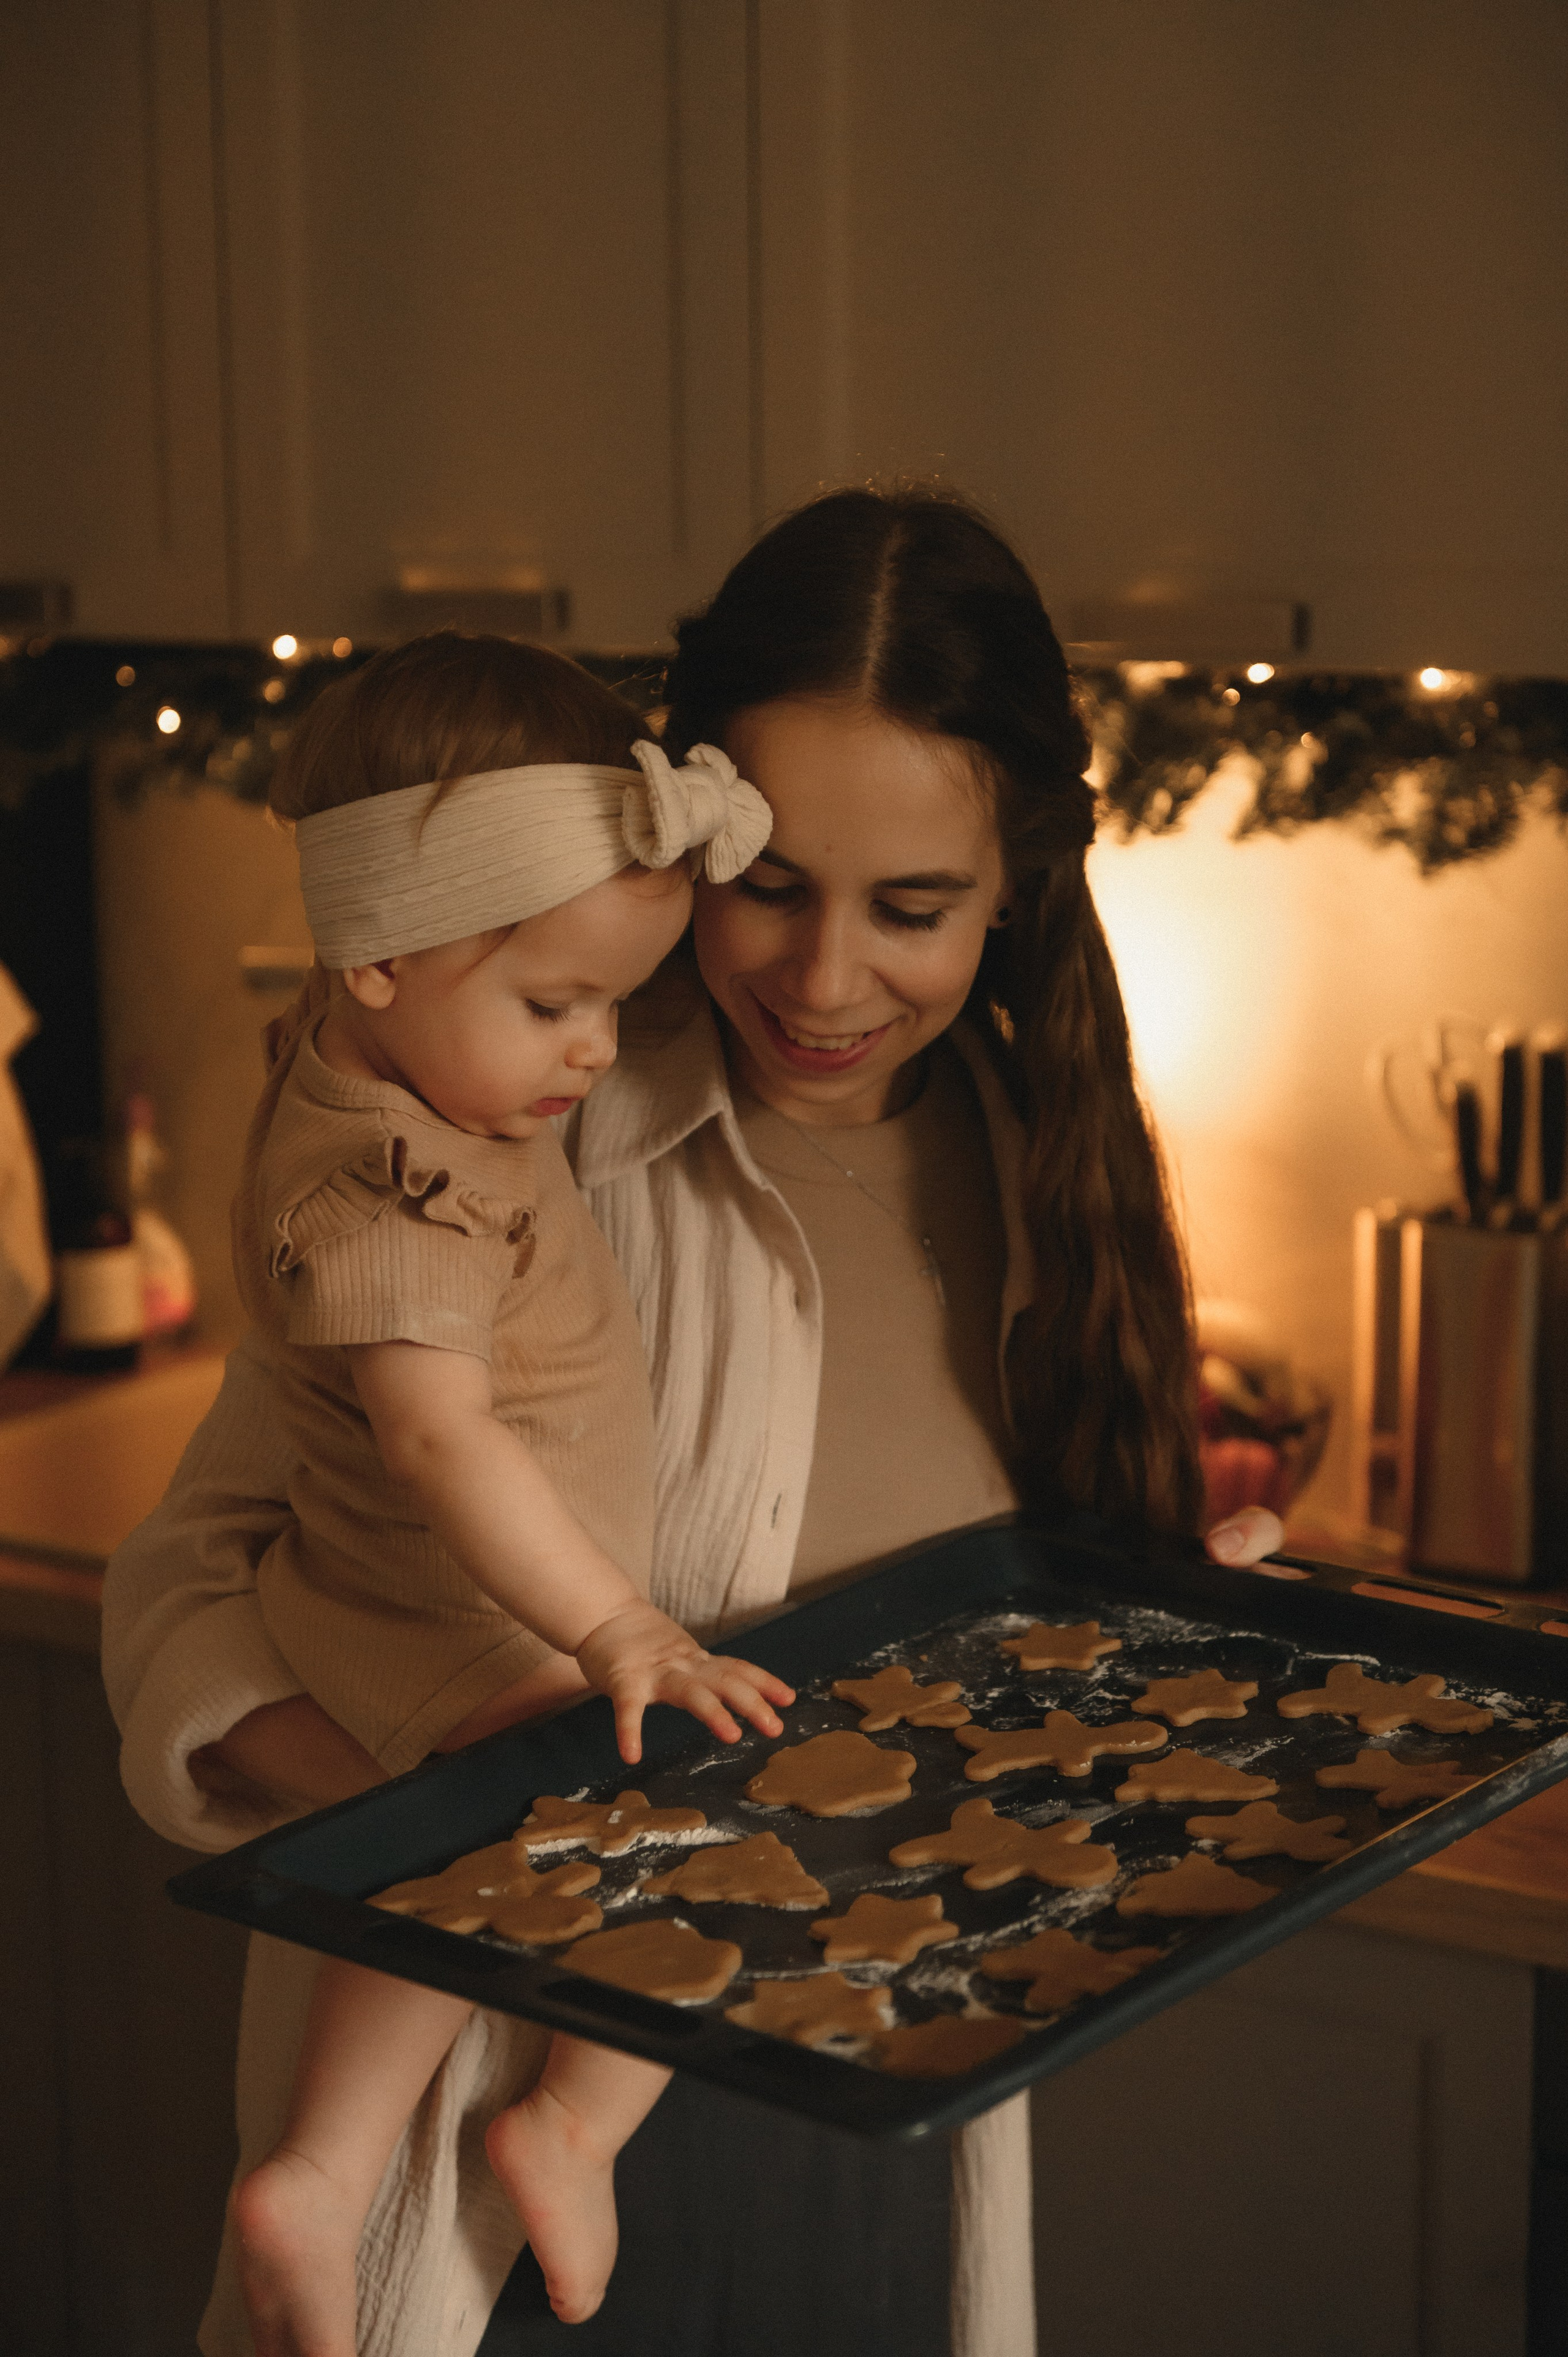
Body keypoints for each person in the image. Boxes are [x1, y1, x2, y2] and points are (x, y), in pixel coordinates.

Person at [102, 485, 1284, 2357]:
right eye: (768, 886)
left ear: (1017, 887)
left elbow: (966, 1716)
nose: (825, 982)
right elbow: (184, 1587)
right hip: (485, 2146)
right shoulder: (508, 1126)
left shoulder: (1044, 1173)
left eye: (911, 909)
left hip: (875, 2135)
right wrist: (469, 1817)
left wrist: (1151, 1644)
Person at [209, 632, 791, 2356]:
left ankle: (359, 2159)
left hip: (398, 1596)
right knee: (677, 1809)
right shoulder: (394, 1184)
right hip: (440, 1607)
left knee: (464, 1863)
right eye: (555, 1005)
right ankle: (532, 2129)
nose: (597, 1053)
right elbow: (436, 1439)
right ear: (375, 956)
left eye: (620, 1000)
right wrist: (615, 1624)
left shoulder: (379, 1061)